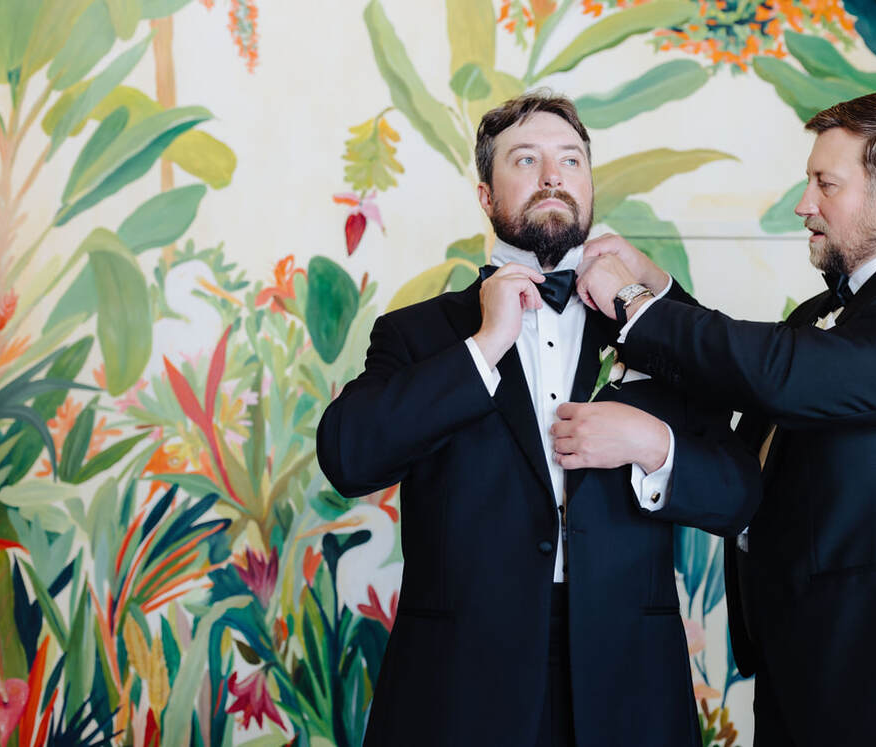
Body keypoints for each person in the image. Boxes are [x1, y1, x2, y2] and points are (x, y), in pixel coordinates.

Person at [571, 91, 876, 747]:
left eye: (824, 183)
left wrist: (639, 308)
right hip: (802, 674)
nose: (803, 203)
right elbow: (767, 387)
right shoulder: (822, 321)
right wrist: (661, 293)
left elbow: (796, 376)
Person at [316, 91, 760, 747]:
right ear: (485, 197)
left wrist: (648, 443)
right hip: (459, 687)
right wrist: (483, 346)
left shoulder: (656, 329)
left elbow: (737, 494)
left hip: (629, 684)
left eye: (571, 160)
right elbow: (348, 458)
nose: (554, 176)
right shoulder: (419, 334)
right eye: (526, 160)